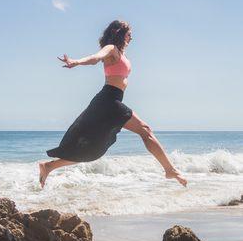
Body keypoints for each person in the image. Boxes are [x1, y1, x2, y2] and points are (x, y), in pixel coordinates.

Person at [39, 20, 187, 188]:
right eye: (129, 33)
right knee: (145, 130)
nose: (131, 37)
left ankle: (49, 166)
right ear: (120, 33)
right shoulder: (111, 49)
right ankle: (170, 170)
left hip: (113, 100)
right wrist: (76, 62)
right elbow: (95, 58)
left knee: (93, 148)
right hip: (108, 100)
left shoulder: (122, 55)